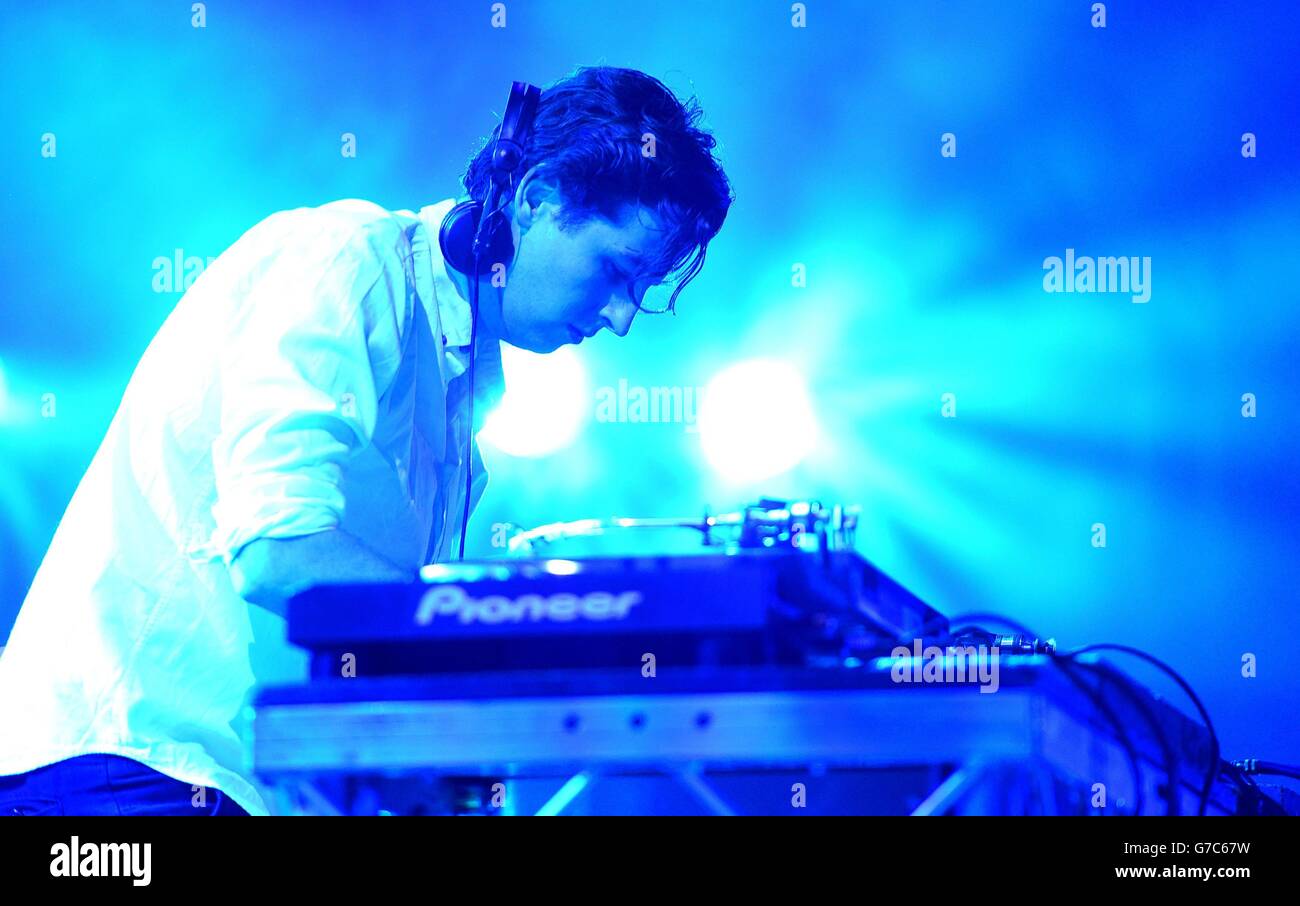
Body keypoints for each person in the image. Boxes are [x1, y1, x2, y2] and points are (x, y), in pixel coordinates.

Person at [0, 65, 732, 816]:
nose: (620, 318)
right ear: (536, 197)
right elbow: (278, 551)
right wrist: (518, 635)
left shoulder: (462, 393)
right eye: (616, 271)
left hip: (229, 785)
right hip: (123, 768)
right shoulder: (343, 261)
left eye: (640, 293)